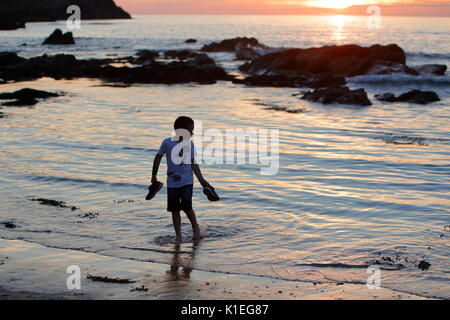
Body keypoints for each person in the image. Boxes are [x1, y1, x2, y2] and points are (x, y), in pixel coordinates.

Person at [151, 116, 212, 241]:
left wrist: (201, 179)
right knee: (174, 210)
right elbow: (158, 157)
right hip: (172, 183)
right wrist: (154, 175)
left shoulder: (189, 144)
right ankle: (178, 235)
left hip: (187, 182)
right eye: (191, 130)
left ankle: (196, 228)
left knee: (187, 207)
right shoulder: (167, 142)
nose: (193, 133)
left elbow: (193, 163)